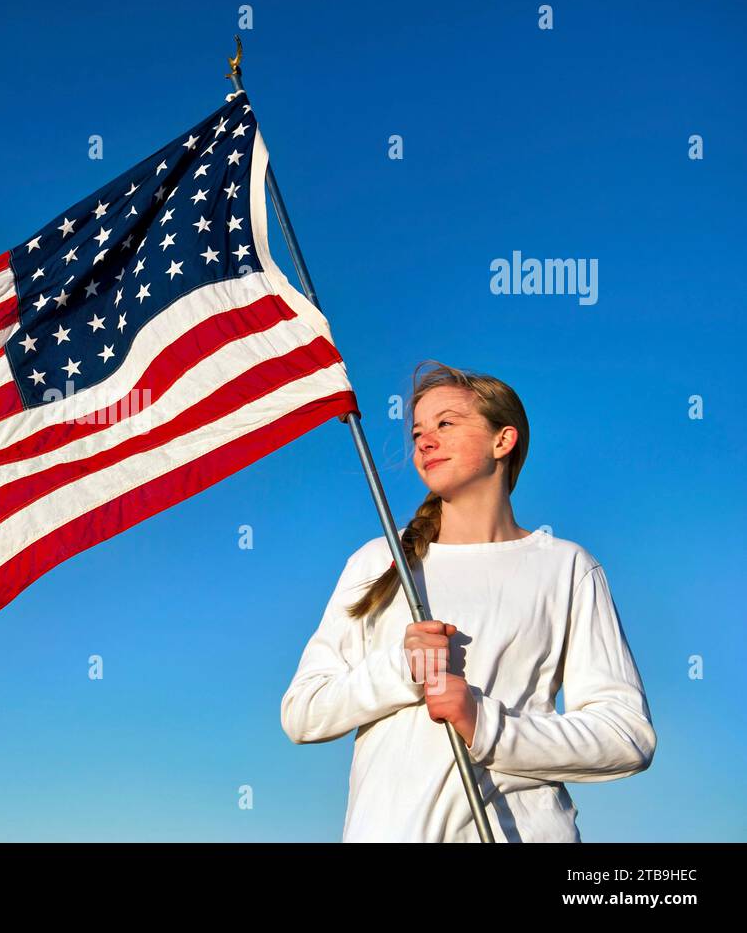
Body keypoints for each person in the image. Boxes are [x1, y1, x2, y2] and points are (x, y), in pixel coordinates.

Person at [280, 360, 657, 842]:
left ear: (504, 440)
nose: (424, 441)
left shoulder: (567, 567)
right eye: (417, 431)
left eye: (446, 424)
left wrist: (487, 725)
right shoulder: (380, 561)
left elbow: (625, 737)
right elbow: (302, 712)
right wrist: (401, 669)